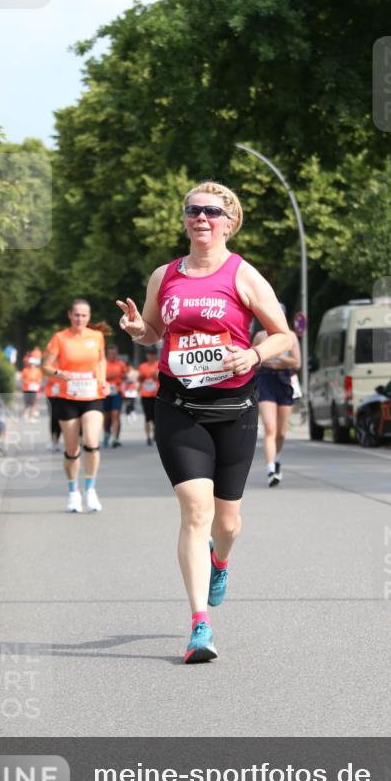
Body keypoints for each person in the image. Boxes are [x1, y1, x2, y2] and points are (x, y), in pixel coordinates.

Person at [116, 180, 291, 663]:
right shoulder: (164, 276)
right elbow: (152, 331)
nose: (201, 218)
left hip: (233, 410)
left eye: (212, 211)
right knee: (196, 512)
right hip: (179, 406)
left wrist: (253, 354)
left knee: (227, 523)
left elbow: (282, 337)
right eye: (194, 210)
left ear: (229, 222)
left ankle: (221, 560)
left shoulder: (245, 276)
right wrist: (137, 331)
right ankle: (199, 625)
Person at [43, 299, 109, 513]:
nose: (80, 319)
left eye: (84, 315)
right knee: (72, 449)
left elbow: (101, 360)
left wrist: (104, 380)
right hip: (68, 397)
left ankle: (90, 489)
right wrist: (58, 373)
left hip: (92, 395)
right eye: (77, 315)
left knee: (91, 441)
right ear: (70, 315)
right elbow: (45, 366)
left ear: (89, 317)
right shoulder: (60, 338)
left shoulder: (97, 337)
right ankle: (73, 492)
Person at [253, 319, 301, 486]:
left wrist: (279, 357)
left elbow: (297, 362)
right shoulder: (260, 336)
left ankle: (277, 458)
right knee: (270, 427)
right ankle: (271, 469)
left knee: (281, 432)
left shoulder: (290, 336)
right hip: (265, 380)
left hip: (284, 379)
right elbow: (252, 358)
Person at [103, 344, 128, 447]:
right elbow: (99, 376)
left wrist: (123, 376)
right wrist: (110, 376)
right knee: (106, 417)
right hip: (105, 392)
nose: (113, 355)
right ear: (107, 354)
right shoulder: (103, 364)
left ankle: (116, 438)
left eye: (114, 353)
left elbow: (125, 376)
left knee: (115, 415)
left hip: (117, 392)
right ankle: (106, 433)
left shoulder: (121, 364)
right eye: (110, 353)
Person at [137, 347, 160, 445]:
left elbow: (162, 378)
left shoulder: (158, 365)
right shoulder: (142, 366)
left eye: (152, 354)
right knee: (147, 417)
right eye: (149, 354)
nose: (150, 356)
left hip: (156, 394)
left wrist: (156, 375)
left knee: (156, 416)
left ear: (155, 355)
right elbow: (139, 379)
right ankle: (148, 437)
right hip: (145, 394)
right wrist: (141, 376)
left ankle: (156, 432)